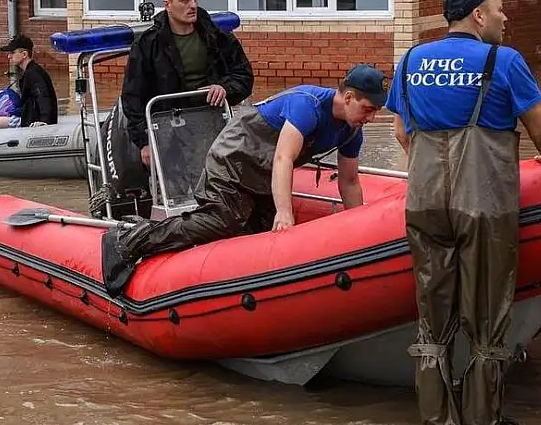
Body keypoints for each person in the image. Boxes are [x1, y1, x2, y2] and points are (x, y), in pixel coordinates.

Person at [385, 0, 541, 425]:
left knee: (432, 318)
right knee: (487, 316)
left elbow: (402, 133)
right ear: (477, 16)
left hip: (425, 202)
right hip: (484, 203)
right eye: (499, 9)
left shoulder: (410, 61)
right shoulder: (505, 62)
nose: (505, 17)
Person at [100, 64, 387, 297]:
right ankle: (130, 239)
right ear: (348, 97)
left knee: (262, 238)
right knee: (222, 220)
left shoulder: (351, 130)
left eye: (376, 112)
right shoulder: (307, 105)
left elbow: (349, 182)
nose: (371, 118)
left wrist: (358, 228)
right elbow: (283, 159)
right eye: (368, 109)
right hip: (234, 159)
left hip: (262, 176)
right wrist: (285, 212)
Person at [121, 0, 254, 169]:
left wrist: (225, 88)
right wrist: (144, 142)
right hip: (168, 129)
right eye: (185, 0)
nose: (192, 5)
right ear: (167, 5)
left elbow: (244, 75)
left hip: (211, 123)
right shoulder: (148, 45)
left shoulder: (216, 36)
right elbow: (133, 97)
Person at [0, 34, 59, 130]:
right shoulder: (30, 71)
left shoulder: (34, 73)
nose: (9, 56)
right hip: (28, 117)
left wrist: (44, 121)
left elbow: (44, 96)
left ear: (24, 54)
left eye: (12, 52)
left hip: (31, 121)